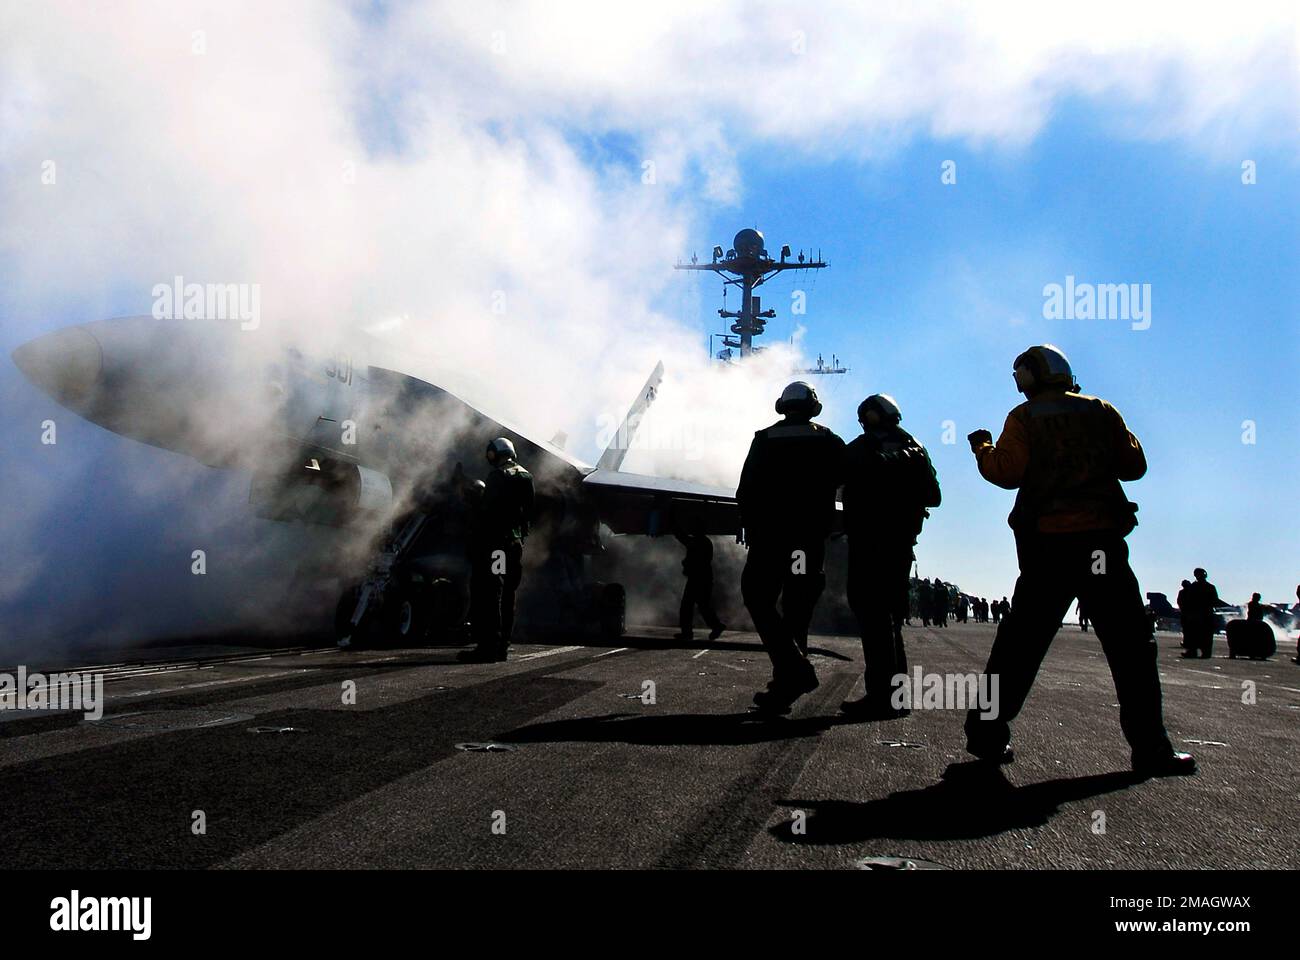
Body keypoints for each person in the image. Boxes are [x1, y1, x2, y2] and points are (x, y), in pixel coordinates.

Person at [963, 344, 1194, 777]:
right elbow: (1134, 466)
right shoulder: (1100, 410)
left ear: (1028, 377)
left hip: (1048, 547)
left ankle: (986, 734)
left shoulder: (1024, 417)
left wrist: (982, 449)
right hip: (1101, 546)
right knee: (1131, 649)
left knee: (1019, 646)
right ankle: (1152, 749)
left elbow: (1006, 473)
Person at [737, 381, 845, 714]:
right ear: (814, 406)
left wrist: (752, 529)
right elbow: (848, 484)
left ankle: (790, 677)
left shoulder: (765, 439)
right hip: (807, 543)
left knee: (757, 597)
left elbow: (746, 492)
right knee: (797, 610)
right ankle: (788, 680)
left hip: (771, 540)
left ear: (782, 406)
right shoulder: (828, 440)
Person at [839, 393, 941, 719]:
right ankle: (895, 697)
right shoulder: (916, 449)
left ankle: (882, 697)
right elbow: (933, 496)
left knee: (871, 617)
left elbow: (836, 484)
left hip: (869, 544)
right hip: (901, 546)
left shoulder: (859, 449)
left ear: (868, 417)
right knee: (891, 621)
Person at [458, 437, 535, 663]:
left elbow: (487, 511)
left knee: (491, 593)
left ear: (495, 453)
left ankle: (488, 648)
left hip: (497, 546)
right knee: (508, 595)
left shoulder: (498, 476)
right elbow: (529, 514)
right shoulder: (526, 475)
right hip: (515, 545)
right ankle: (502, 646)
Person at [674, 520, 726, 643]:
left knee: (688, 606)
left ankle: (688, 632)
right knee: (703, 606)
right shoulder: (704, 541)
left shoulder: (700, 541)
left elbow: (686, 541)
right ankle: (715, 626)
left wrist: (675, 528)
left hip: (698, 578)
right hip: (703, 578)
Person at [1180, 568, 1221, 660]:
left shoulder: (1194, 587)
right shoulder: (1210, 587)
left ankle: (1192, 651)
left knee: (1194, 634)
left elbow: (1188, 601)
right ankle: (1204, 652)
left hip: (1197, 615)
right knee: (1205, 635)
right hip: (1205, 615)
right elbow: (1215, 601)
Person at [1175, 579, 1192, 651]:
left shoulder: (1182, 592)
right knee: (1188, 629)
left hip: (1185, 612)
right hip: (1189, 613)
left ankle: (1187, 642)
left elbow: (1179, 602)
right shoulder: (1192, 592)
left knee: (1186, 629)